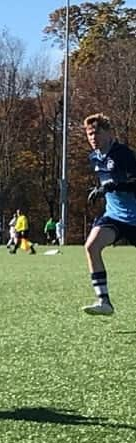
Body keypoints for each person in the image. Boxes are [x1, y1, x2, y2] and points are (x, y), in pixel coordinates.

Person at [83, 113, 136, 315]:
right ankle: (104, 301)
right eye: (89, 134)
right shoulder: (94, 157)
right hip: (114, 216)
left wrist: (115, 185)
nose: (93, 138)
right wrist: (100, 189)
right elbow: (107, 183)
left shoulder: (123, 154)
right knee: (91, 246)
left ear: (108, 133)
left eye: (96, 133)